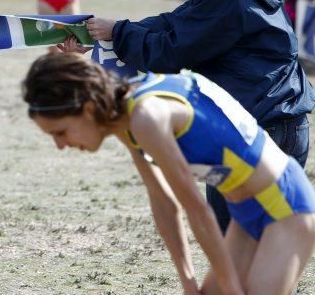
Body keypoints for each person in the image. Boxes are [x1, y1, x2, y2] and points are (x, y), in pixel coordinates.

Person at [85, 0, 315, 233]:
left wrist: (119, 34)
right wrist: (111, 30)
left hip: (258, 126)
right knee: (269, 249)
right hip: (286, 121)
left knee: (240, 252)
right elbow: (179, 21)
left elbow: (174, 49)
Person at [22, 52, 315, 294]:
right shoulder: (123, 118)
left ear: (87, 108)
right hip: (245, 213)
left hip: (286, 205)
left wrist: (230, 288)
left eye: (60, 132)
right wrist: (187, 280)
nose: (60, 145)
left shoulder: (147, 116)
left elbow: (196, 208)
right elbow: (163, 202)